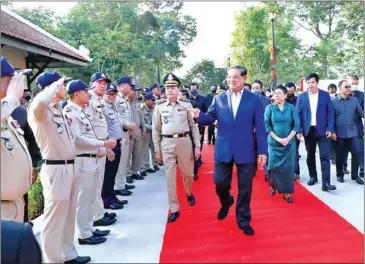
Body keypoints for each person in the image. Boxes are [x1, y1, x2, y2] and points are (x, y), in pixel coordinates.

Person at [193, 65, 267, 236]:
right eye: (229, 77)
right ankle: (226, 201)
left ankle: (243, 219)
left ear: (244, 78)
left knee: (245, 187)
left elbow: (260, 127)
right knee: (219, 182)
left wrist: (262, 151)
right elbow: (209, 118)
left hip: (246, 149)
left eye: (235, 77)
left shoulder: (254, 100)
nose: (231, 80)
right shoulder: (219, 99)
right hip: (224, 148)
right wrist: (198, 115)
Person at [28, 70, 90, 263]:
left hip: (70, 167)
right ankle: (53, 259)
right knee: (54, 220)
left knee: (68, 215)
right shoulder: (39, 111)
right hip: (56, 169)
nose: (64, 88)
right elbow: (39, 102)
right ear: (52, 88)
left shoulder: (57, 110)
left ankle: (68, 253)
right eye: (61, 85)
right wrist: (53, 87)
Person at [64, 80, 118, 245]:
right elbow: (78, 139)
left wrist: (101, 149)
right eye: (85, 91)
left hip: (92, 158)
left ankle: (89, 228)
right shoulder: (70, 111)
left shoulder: (81, 111)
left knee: (89, 198)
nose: (89, 94)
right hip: (82, 160)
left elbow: (92, 133)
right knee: (83, 200)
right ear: (76, 94)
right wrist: (103, 144)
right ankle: (84, 234)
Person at [152, 73, 201, 223]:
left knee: (188, 174)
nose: (170, 90)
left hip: (184, 142)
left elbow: (193, 126)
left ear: (178, 89)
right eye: (167, 87)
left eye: (173, 87)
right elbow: (156, 129)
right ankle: (174, 208)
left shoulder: (186, 106)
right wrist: (157, 150)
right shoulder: (159, 107)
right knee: (170, 178)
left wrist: (197, 146)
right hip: (167, 143)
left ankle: (188, 192)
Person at [1, 57, 33, 222]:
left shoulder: (7, 115)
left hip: (14, 203)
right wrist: (13, 97)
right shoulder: (6, 109)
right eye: (12, 81)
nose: (19, 85)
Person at [296, 73, 336, 191]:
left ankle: (326, 183)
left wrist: (330, 128)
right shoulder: (302, 97)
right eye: (308, 82)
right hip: (309, 131)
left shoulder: (325, 95)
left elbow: (331, 113)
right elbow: (298, 115)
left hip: (323, 130)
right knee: (310, 155)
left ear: (317, 83)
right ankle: (313, 176)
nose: (310, 85)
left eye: (312, 82)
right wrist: (299, 130)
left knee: (325, 156)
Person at [87, 72, 119, 224]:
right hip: (96, 148)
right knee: (93, 187)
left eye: (105, 83)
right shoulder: (88, 100)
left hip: (101, 146)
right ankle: (95, 217)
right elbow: (89, 127)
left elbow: (101, 125)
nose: (103, 85)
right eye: (99, 82)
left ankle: (99, 213)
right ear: (91, 83)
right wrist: (103, 146)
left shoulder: (98, 100)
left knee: (98, 184)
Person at [102, 84, 137, 209]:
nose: (112, 97)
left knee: (113, 173)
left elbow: (119, 122)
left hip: (117, 142)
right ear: (103, 95)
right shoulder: (102, 108)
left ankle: (111, 196)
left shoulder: (112, 107)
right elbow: (102, 129)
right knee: (108, 174)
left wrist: (128, 124)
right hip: (109, 144)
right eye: (109, 94)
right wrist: (107, 148)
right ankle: (106, 200)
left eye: (113, 94)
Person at [264, 85, 300, 203]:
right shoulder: (269, 108)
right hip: (274, 143)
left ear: (285, 95)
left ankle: (287, 193)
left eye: (279, 93)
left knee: (288, 169)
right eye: (275, 93)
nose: (277, 95)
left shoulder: (291, 108)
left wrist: (288, 138)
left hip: (289, 144)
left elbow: (296, 125)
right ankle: (273, 185)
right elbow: (267, 126)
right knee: (273, 166)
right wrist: (279, 139)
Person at [331, 80, 364, 185]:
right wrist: (332, 131)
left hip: (353, 132)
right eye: (346, 86)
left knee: (356, 153)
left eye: (349, 86)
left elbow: (360, 112)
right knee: (339, 155)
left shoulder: (354, 100)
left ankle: (355, 175)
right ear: (340, 88)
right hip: (339, 133)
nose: (349, 88)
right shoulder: (333, 102)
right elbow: (330, 118)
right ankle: (339, 175)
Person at [179, 88, 200, 180]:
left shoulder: (190, 104)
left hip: (190, 131)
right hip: (180, 133)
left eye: (181, 95)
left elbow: (194, 120)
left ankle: (194, 172)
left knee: (192, 153)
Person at [285, 82, 300, 180]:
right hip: (284, 130)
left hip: (295, 130)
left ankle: (295, 172)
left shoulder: (299, 100)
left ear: (294, 90)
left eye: (292, 91)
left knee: (294, 152)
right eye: (288, 91)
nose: (290, 93)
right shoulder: (281, 100)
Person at [140, 92, 158, 173]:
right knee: (145, 151)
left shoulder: (154, 108)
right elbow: (142, 123)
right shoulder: (141, 108)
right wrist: (154, 128)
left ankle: (155, 164)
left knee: (154, 148)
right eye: (152, 100)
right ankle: (145, 167)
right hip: (145, 132)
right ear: (146, 100)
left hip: (153, 132)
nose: (154, 102)